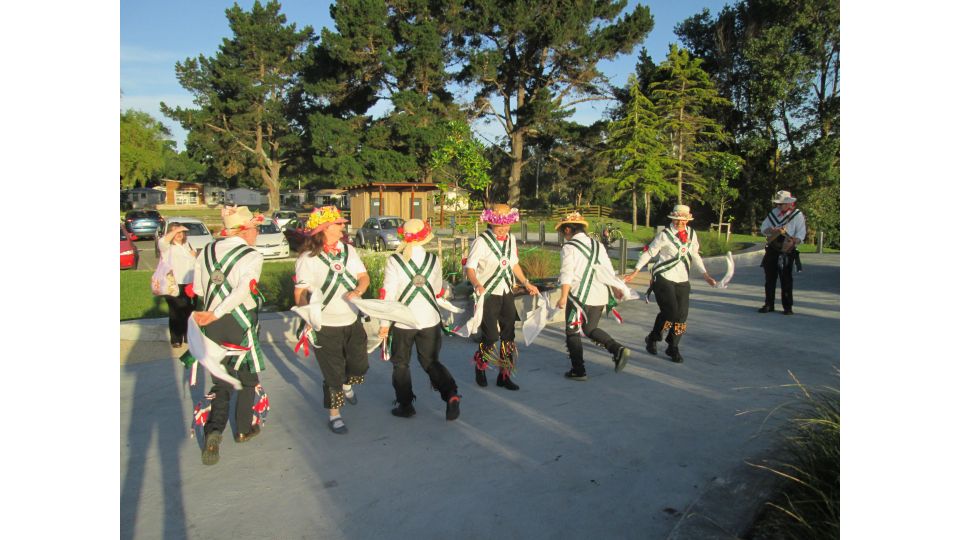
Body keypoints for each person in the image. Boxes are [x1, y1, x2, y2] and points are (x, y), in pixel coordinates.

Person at [191, 206, 267, 465]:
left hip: (211, 326)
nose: (257, 232)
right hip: (238, 323)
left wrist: (210, 314)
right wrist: (220, 311)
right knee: (246, 380)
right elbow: (244, 291)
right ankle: (243, 429)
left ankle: (213, 431)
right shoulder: (252, 255)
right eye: (255, 227)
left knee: (221, 382)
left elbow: (200, 289)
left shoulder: (206, 251)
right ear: (244, 229)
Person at [294, 206, 370, 434]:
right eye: (338, 224)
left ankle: (348, 384)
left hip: (352, 319)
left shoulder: (349, 250)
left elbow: (364, 277)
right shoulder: (307, 259)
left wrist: (358, 290)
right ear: (324, 229)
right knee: (332, 373)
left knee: (360, 365)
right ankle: (335, 415)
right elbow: (300, 293)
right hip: (325, 325)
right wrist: (306, 314)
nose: (343, 226)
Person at [378, 219, 460, 420]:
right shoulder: (434, 260)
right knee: (431, 362)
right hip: (429, 319)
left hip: (402, 321)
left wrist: (383, 325)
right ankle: (450, 394)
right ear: (424, 238)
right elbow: (438, 288)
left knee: (401, 364)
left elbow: (387, 295)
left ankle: (405, 405)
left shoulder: (394, 261)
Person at [625, 205, 717, 363]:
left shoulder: (692, 234)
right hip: (664, 277)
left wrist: (705, 274)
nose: (681, 223)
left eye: (684, 220)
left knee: (682, 316)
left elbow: (695, 255)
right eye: (678, 220)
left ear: (687, 220)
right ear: (673, 219)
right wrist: (636, 271)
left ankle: (672, 346)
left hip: (682, 279)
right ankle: (654, 337)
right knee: (671, 312)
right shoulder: (665, 235)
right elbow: (650, 253)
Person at [464, 204, 539, 390]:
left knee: (509, 335)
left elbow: (513, 264)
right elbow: (470, 268)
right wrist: (477, 284)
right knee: (490, 336)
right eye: (500, 227)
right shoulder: (481, 242)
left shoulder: (511, 239)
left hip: (506, 291)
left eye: (506, 226)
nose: (504, 230)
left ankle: (504, 375)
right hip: (488, 293)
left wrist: (526, 283)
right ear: (491, 224)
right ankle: (480, 363)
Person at [555, 211, 630, 380]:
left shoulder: (569, 248)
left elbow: (567, 273)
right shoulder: (598, 245)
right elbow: (608, 270)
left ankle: (578, 370)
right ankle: (616, 349)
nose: (562, 235)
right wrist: (615, 287)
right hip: (599, 294)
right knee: (590, 329)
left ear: (568, 230)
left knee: (572, 332)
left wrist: (563, 296)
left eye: (561, 231)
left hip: (579, 297)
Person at [758, 190, 806, 315]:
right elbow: (763, 229)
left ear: (789, 203)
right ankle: (769, 304)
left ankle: (788, 307)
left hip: (787, 250)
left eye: (781, 204)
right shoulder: (773, 213)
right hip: (772, 248)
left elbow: (801, 233)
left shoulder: (798, 215)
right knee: (770, 278)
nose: (779, 206)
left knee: (786, 279)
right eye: (778, 204)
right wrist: (771, 230)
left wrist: (793, 241)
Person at [158, 222, 197, 347]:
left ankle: (188, 336)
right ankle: (176, 339)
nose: (179, 234)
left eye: (181, 232)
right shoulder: (167, 247)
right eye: (175, 232)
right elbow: (162, 242)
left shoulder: (188, 245)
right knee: (176, 312)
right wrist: (175, 230)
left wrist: (194, 256)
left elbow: (194, 263)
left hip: (190, 283)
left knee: (189, 311)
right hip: (173, 284)